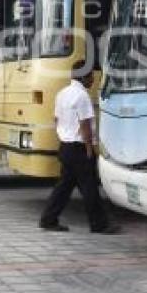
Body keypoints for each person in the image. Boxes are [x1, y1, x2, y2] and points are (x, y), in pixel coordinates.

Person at [39, 62, 120, 234]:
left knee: (64, 187)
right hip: (79, 148)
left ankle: (48, 219)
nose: (93, 79)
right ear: (83, 77)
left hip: (66, 147)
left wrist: (64, 136)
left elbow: (56, 120)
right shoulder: (82, 96)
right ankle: (99, 225)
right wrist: (90, 149)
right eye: (91, 76)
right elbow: (85, 125)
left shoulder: (62, 94)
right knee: (89, 187)